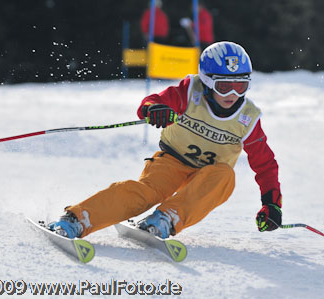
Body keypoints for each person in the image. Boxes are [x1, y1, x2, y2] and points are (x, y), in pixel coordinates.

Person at [49, 41, 282, 240]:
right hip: (171, 161)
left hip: (210, 174)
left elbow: (265, 164)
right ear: (208, 81)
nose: (233, 95)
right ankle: (76, 219)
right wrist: (156, 109)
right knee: (146, 193)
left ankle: (166, 220)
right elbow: (152, 101)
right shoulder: (191, 91)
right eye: (224, 87)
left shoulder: (247, 118)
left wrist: (271, 204)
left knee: (225, 177)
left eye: (241, 86)